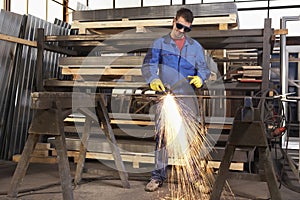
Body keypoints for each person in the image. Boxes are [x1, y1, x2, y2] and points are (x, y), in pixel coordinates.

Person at [141, 8, 211, 192]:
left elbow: (204, 69)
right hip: (166, 95)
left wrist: (201, 78)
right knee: (162, 137)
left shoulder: (195, 47)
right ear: (174, 21)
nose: (182, 31)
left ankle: (194, 177)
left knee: (190, 137)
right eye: (179, 26)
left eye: (186, 29)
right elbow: (149, 64)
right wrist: (153, 79)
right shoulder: (160, 43)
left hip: (187, 96)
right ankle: (157, 177)